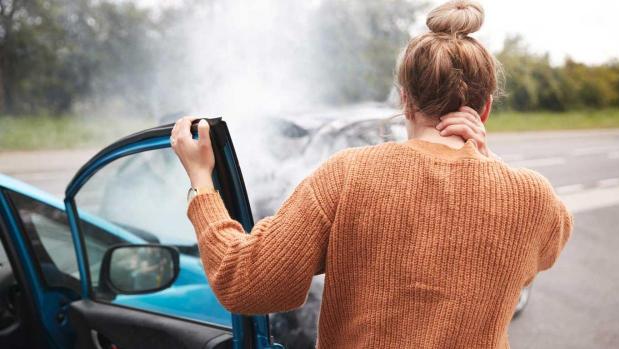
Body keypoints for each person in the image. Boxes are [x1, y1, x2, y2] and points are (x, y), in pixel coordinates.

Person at [171, 1, 573, 347]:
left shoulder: (348, 174)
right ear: (485, 109)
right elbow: (551, 243)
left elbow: (244, 281)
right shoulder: (532, 196)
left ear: (405, 99)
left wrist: (202, 184)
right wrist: (487, 159)